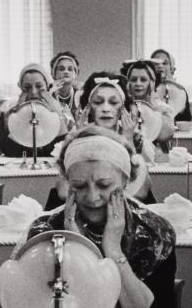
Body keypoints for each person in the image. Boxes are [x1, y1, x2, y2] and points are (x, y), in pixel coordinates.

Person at [23, 127, 177, 308]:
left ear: (125, 180)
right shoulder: (46, 231)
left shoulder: (155, 233)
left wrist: (113, 251)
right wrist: (77, 248)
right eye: (79, 186)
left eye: (104, 185)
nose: (92, 196)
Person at [48, 72, 153, 208]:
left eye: (113, 102)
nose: (105, 109)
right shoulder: (73, 139)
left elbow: (142, 192)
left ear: (122, 108)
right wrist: (80, 139)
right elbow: (63, 192)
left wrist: (128, 140)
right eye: (98, 102)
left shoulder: (137, 139)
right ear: (89, 108)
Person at [0, 63, 71, 158]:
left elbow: (66, 152)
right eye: (27, 88)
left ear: (47, 86)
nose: (33, 92)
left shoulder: (63, 111)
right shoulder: (8, 114)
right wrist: (17, 118)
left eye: (39, 86)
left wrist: (59, 116)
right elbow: (7, 151)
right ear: (20, 87)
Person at [120, 59, 176, 156]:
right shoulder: (121, 107)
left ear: (152, 83)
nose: (138, 83)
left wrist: (154, 108)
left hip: (157, 162)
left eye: (143, 79)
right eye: (133, 80)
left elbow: (166, 135)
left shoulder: (163, 108)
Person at [150, 48, 192, 122]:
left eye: (165, 63)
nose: (160, 66)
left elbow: (186, 119)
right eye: (156, 63)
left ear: (172, 68)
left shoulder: (180, 90)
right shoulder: (145, 89)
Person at [49, 51, 81, 117]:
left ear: (76, 74)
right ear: (53, 74)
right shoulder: (48, 94)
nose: (66, 71)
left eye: (70, 69)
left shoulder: (81, 95)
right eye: (61, 69)